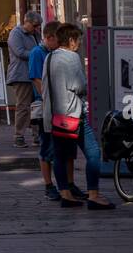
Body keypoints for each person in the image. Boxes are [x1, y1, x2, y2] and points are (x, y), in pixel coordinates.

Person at [45, 24, 113, 210]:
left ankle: (65, 194)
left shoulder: (49, 57)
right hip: (74, 115)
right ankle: (94, 194)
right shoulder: (72, 58)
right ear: (72, 40)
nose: (79, 44)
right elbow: (80, 86)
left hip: (56, 116)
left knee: (60, 156)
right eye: (79, 40)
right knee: (93, 154)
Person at [29, 21, 63, 201]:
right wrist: (48, 98)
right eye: (58, 39)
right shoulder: (37, 53)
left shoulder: (57, 52)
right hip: (45, 106)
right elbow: (36, 79)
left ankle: (65, 184)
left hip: (59, 105)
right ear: (49, 38)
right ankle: (48, 184)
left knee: (59, 147)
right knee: (46, 146)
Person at [6, 12, 41, 147]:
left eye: (38, 26)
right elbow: (19, 52)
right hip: (21, 74)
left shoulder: (35, 34)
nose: (37, 28)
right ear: (26, 22)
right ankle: (19, 135)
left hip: (35, 73)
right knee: (23, 106)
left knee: (37, 105)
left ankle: (37, 135)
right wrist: (37, 54)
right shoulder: (16, 33)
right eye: (35, 25)